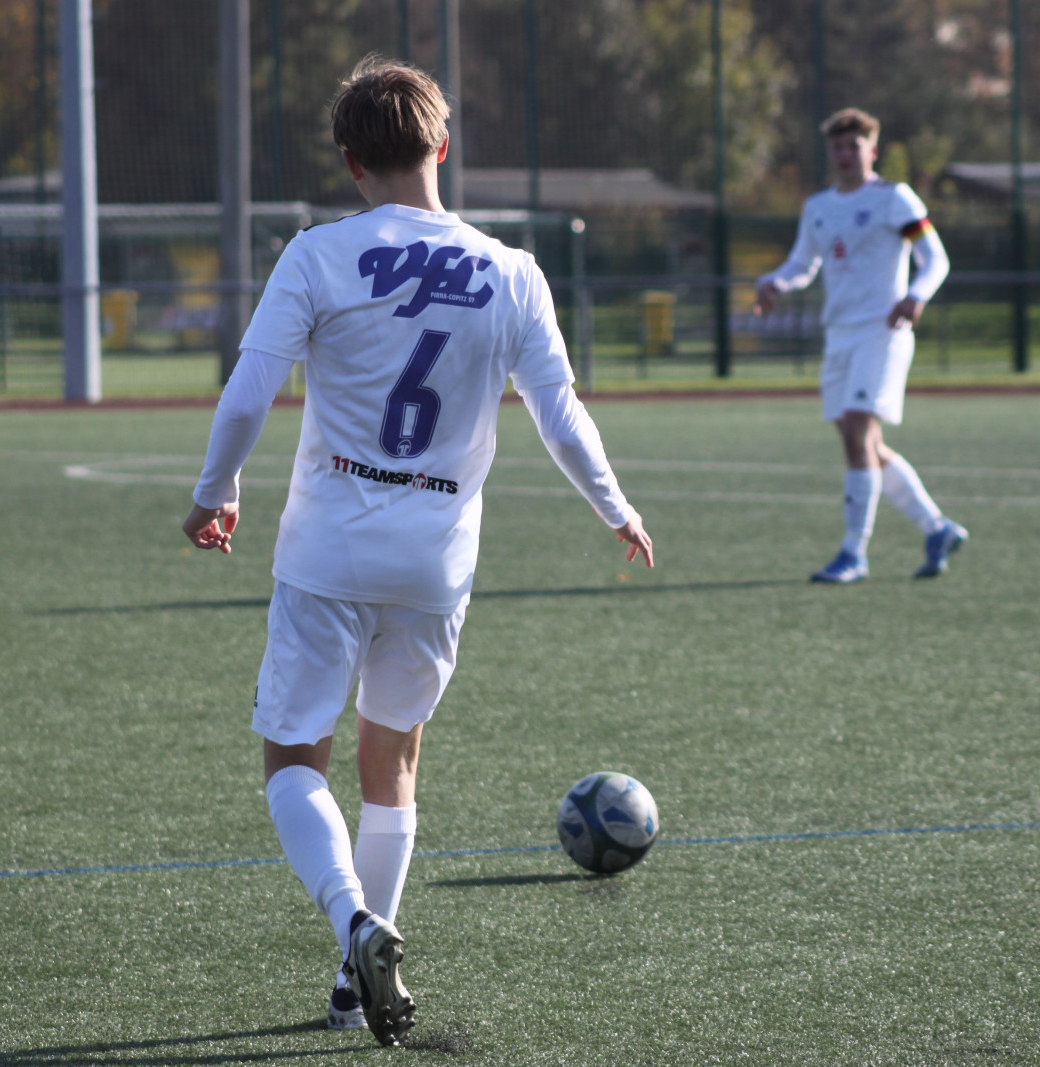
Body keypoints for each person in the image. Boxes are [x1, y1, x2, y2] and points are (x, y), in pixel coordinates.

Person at [181, 57, 653, 1047]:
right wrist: (615, 506)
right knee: (389, 759)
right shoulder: (511, 269)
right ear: (443, 145)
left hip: (327, 548)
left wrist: (215, 489)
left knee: (290, 756)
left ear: (350, 160)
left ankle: (355, 921)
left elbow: (246, 389)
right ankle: (353, 982)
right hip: (437, 554)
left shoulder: (317, 253)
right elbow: (560, 414)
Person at [754, 107, 965, 582]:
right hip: (840, 335)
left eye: (855, 145)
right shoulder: (818, 207)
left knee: (856, 433)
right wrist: (774, 282)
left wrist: (916, 295)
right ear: (829, 153)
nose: (846, 154)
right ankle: (936, 527)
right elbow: (801, 265)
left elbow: (936, 260)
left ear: (872, 150)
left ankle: (854, 553)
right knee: (866, 444)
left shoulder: (895, 199)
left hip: (882, 332)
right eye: (838, 146)